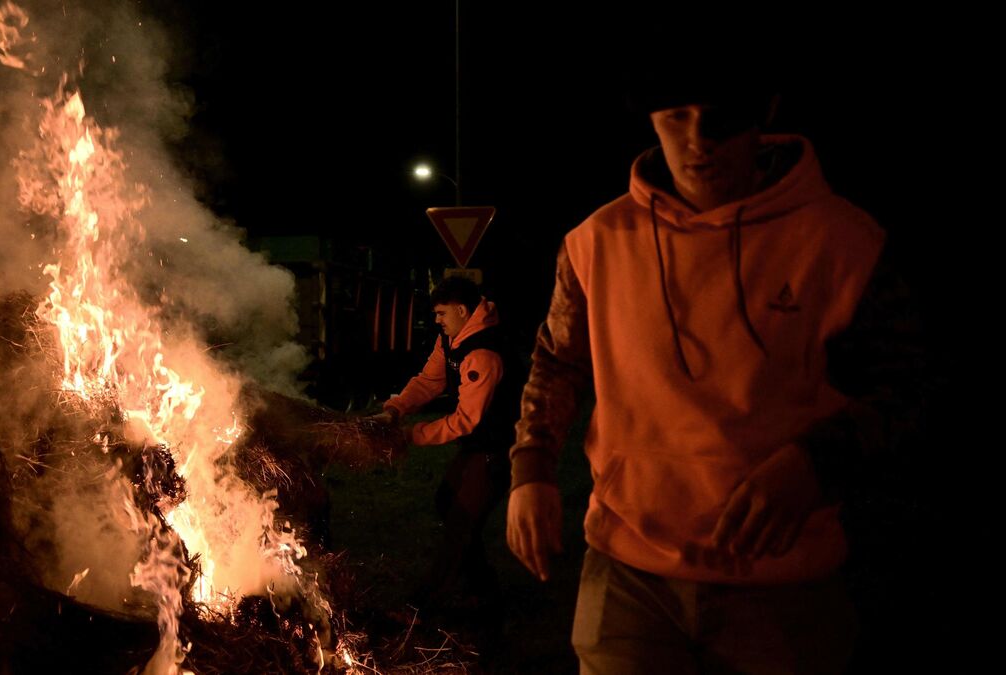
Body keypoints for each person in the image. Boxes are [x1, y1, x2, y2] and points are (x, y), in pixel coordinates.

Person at [506, 74, 922, 673]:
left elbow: (912, 389)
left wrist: (817, 461)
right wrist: (533, 471)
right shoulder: (597, 242)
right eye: (677, 115)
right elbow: (557, 360)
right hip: (629, 574)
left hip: (784, 581)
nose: (699, 140)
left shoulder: (841, 241)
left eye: (722, 117)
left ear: (764, 112)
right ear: (651, 117)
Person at [375, 275, 521, 618]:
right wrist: (397, 407)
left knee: (460, 523)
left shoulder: (483, 353)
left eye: (441, 313)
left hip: (498, 448)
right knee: (447, 501)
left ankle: (421, 607)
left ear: (461, 309)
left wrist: (410, 435)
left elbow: (464, 420)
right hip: (477, 445)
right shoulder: (452, 337)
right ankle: (484, 592)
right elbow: (430, 380)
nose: (436, 319)